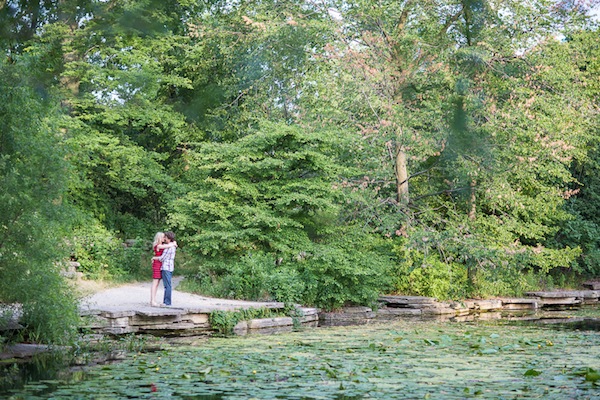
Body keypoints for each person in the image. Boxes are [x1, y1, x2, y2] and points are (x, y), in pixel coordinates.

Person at [150, 232, 177, 307]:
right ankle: (153, 300)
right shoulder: (159, 245)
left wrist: (173, 242)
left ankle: (155, 300)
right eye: (163, 237)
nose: (164, 239)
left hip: (161, 264)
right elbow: (169, 245)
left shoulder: (164, 245)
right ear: (159, 238)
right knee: (155, 283)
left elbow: (169, 245)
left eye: (165, 237)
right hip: (158, 264)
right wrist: (173, 243)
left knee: (158, 283)